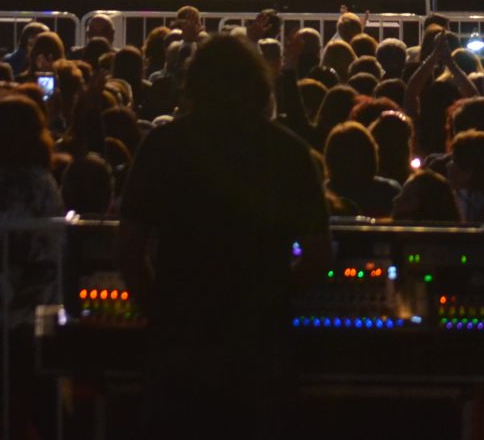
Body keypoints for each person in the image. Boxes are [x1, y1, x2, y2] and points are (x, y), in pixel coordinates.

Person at [115, 33, 330, 432]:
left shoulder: (163, 146)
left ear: (194, 83)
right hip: (260, 339)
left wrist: (157, 305)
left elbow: (129, 247)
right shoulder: (287, 151)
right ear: (258, 86)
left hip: (181, 333)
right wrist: (275, 293)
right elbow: (318, 253)